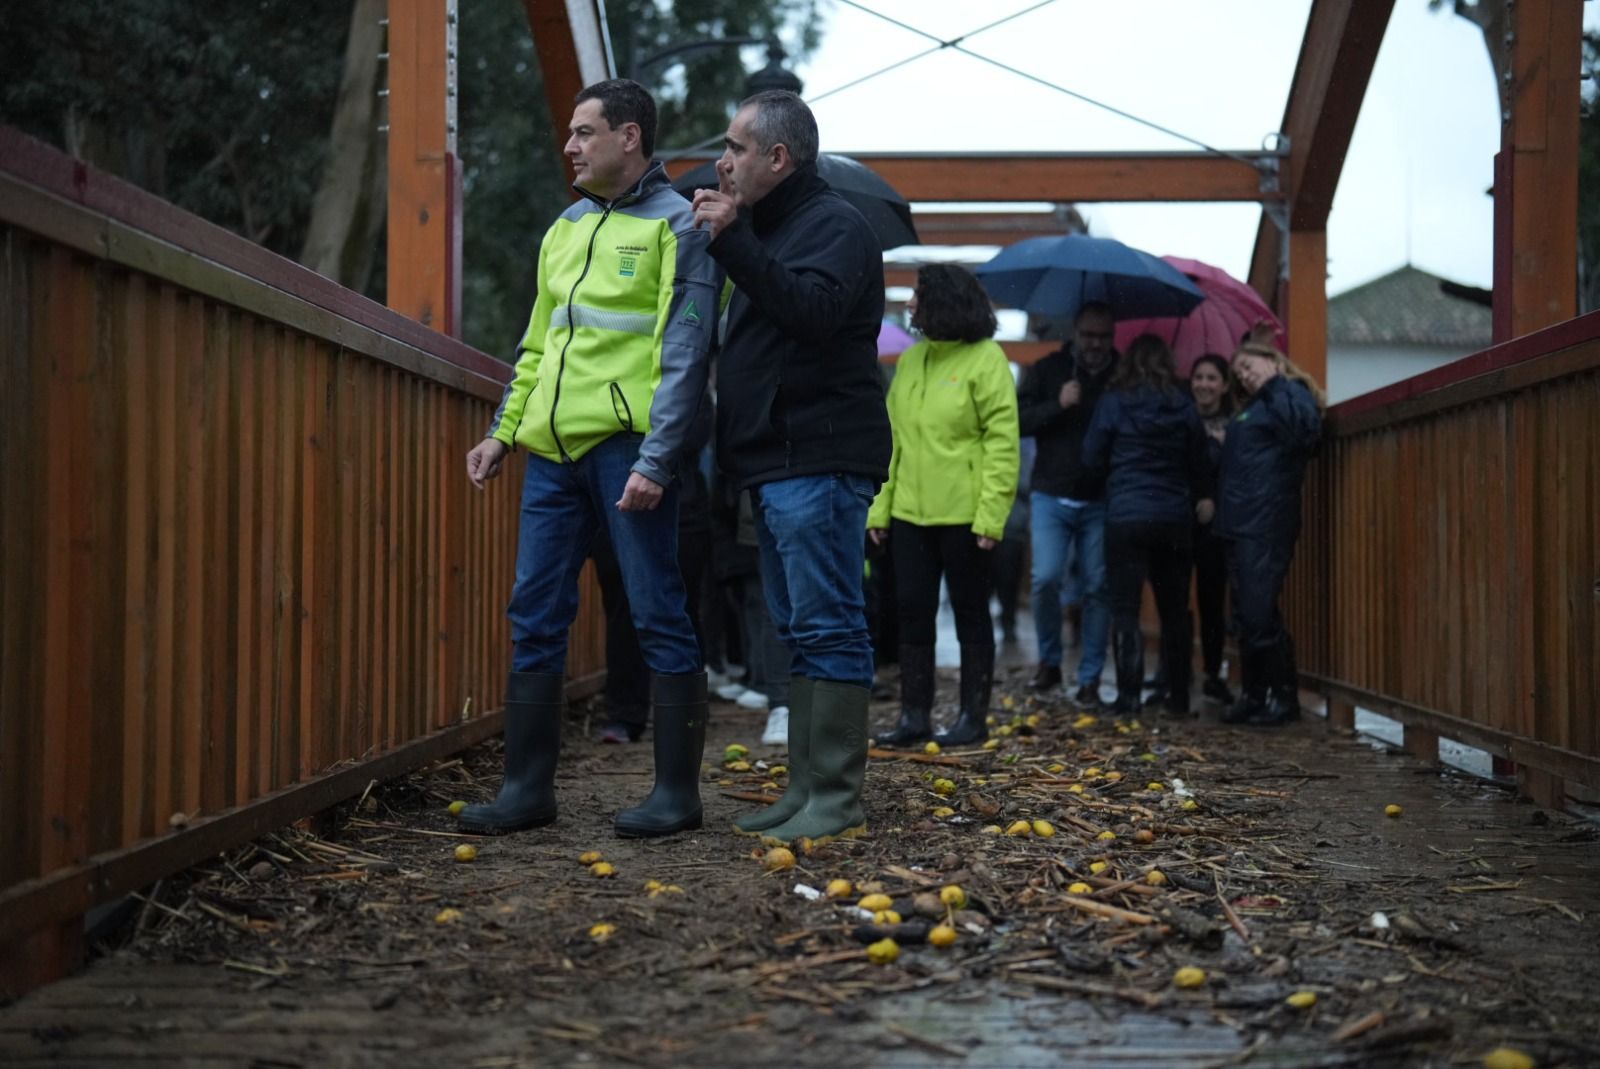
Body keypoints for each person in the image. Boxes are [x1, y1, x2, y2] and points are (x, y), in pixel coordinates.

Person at [459, 79, 720, 838]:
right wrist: (501, 431)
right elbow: (538, 344)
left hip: (630, 451)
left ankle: (677, 795)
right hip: (551, 453)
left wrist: (659, 458)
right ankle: (526, 791)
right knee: (533, 615)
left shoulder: (682, 227)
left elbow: (685, 353)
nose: (569, 146)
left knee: (656, 611)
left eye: (583, 132)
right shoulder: (564, 228)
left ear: (629, 137)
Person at [691, 90, 891, 844]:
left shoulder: (834, 225)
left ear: (779, 157)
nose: (722, 161)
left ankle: (836, 796)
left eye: (735, 147)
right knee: (799, 629)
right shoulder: (774, 229)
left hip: (819, 456)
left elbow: (810, 313)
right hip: (774, 462)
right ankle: (806, 788)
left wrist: (737, 243)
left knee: (829, 623)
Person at [868, 265, 1020, 748]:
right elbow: (891, 442)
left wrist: (991, 517)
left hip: (966, 517)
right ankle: (915, 716)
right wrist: (879, 511)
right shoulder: (911, 362)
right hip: (909, 514)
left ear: (947, 302)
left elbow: (1002, 443)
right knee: (912, 612)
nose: (910, 303)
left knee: (972, 612)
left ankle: (974, 718)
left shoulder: (987, 359)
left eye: (918, 294)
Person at [1081, 335, 1209, 716]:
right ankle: (1180, 699)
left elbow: (1091, 457)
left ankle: (1128, 698)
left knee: (1125, 608)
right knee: (1174, 610)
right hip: (1173, 518)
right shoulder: (1183, 405)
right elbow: (1198, 460)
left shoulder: (1113, 402)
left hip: (1126, 516)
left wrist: (1109, 479)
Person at [1216, 338, 1324, 726]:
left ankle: (1283, 698)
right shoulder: (1253, 408)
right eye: (1240, 372)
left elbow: (1305, 431)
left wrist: (1274, 385)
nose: (1245, 375)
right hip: (1239, 522)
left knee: (1258, 612)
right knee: (1247, 614)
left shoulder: (1289, 392)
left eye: (1249, 365)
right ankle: (1254, 694)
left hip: (1266, 520)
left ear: (1271, 360)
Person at [1017, 301, 1118, 705]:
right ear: (1075, 332)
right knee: (1045, 579)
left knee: (1098, 586)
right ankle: (1050, 661)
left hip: (1101, 496)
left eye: (1103, 336)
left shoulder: (1122, 375)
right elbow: (1019, 420)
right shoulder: (1047, 370)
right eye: (1089, 335)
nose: (1095, 344)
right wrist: (1057, 405)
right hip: (1050, 491)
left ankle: (1090, 677)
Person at [1188, 354, 1236, 706]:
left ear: (1224, 385)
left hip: (1215, 526)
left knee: (1211, 600)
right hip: (1177, 518)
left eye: (1212, 378)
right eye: (1198, 377)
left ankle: (1212, 672)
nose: (1203, 384)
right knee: (1173, 598)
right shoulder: (1180, 417)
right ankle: (1171, 670)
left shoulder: (1236, 425)